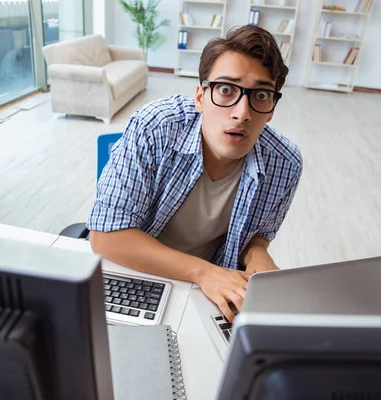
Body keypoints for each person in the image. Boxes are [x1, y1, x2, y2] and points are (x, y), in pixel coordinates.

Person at [87, 25, 303, 322]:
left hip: (206, 292)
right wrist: (202, 271)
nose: (242, 113)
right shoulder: (156, 127)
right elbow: (106, 237)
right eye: (226, 90)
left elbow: (257, 236)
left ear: (271, 109)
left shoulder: (285, 163)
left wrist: (257, 252)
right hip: (136, 275)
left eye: (261, 95)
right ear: (200, 97)